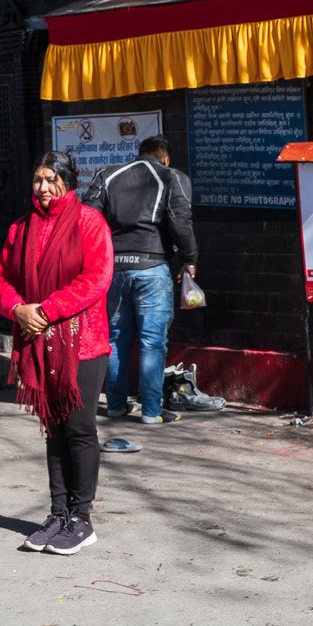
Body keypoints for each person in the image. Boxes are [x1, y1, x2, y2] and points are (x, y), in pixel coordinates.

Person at [0, 150, 113, 556]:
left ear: (68, 181)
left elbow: (96, 278)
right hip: (38, 341)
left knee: (78, 428)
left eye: (51, 179)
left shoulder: (89, 222)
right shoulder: (21, 228)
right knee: (54, 430)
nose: (43, 188)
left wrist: (47, 309)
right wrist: (18, 309)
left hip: (83, 342)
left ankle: (82, 517)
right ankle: (58, 512)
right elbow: (1, 278)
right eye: (37, 180)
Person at [84, 135, 199, 425]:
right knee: (152, 341)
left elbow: (87, 218)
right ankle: (151, 410)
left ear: (139, 154)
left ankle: (115, 406)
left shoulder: (108, 175)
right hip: (152, 266)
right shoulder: (171, 177)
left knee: (115, 338)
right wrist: (189, 258)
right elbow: (180, 222)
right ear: (165, 157)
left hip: (115, 269)